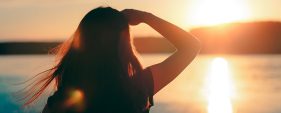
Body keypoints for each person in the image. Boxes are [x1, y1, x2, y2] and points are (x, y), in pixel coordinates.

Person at [23, 7, 201, 113]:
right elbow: (191, 46)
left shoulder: (60, 102)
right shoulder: (138, 89)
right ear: (123, 47)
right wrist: (146, 17)